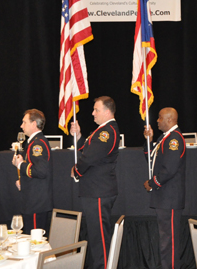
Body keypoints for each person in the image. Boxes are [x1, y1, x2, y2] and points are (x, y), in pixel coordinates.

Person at [70, 96, 120, 269]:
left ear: (107, 112)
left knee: (99, 239)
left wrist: (76, 170)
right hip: (96, 191)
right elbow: (90, 148)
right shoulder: (102, 130)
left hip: (98, 192)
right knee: (96, 237)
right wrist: (78, 136)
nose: (92, 113)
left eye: (96, 110)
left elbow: (90, 156)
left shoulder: (107, 131)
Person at [143, 107, 186, 269]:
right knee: (165, 240)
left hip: (170, 198)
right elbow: (152, 159)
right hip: (164, 198)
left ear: (170, 120)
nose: (157, 120)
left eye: (160, 118)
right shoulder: (164, 138)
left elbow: (169, 168)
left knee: (170, 241)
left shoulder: (174, 139)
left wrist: (152, 183)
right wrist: (150, 140)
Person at [12, 109, 52, 234]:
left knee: (34, 241)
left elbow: (41, 171)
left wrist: (20, 165)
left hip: (36, 203)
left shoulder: (37, 144)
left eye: (24, 122)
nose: (21, 126)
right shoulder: (33, 143)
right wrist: (23, 182)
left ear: (34, 124)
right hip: (33, 201)